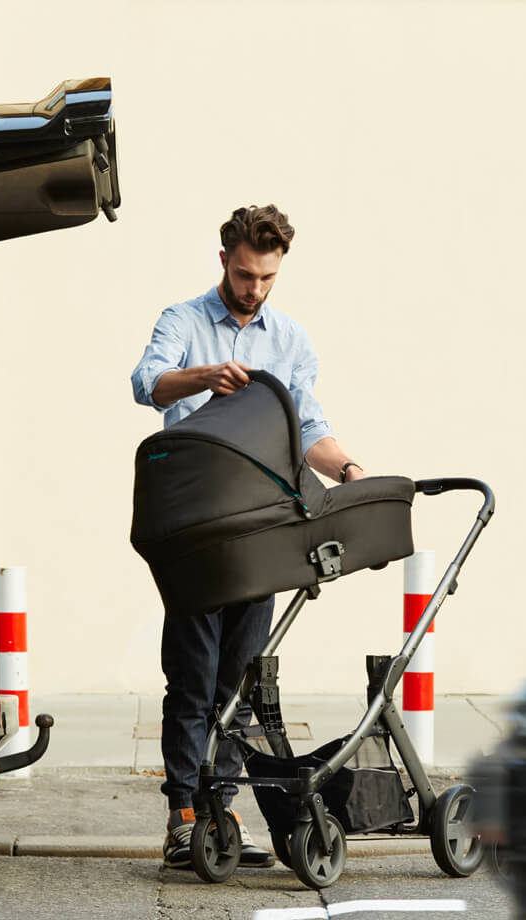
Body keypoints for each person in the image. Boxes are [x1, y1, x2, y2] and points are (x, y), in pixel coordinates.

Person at [131, 205, 365, 870]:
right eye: (243, 275)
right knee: (192, 677)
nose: (253, 288)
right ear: (224, 260)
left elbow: (309, 427)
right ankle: (184, 816)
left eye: (266, 278)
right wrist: (205, 376)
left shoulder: (289, 339)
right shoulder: (183, 321)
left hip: (262, 531)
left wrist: (351, 471)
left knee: (240, 684)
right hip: (196, 527)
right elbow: (147, 383)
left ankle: (222, 814)